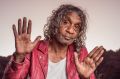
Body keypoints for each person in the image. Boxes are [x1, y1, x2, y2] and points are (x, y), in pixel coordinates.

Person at [3, 4, 104, 79]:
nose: (70, 30)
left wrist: (85, 78)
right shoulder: (33, 50)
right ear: (55, 23)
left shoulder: (80, 52)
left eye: (76, 27)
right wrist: (19, 57)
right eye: (65, 22)